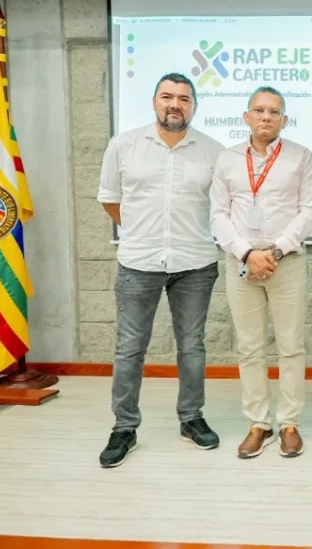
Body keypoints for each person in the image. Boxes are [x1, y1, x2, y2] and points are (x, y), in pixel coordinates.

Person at [96, 72, 225, 468]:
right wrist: (141, 231)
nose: (175, 104)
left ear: (194, 106)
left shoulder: (214, 151)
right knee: (129, 348)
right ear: (154, 102)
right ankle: (124, 426)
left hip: (195, 262)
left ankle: (191, 418)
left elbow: (222, 207)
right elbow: (110, 199)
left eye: (184, 99)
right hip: (139, 261)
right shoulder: (124, 145)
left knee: (192, 346)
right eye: (167, 97)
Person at [210, 86, 312, 459]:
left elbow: (310, 211)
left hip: (285, 262)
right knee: (250, 347)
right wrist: (247, 253)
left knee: (291, 346)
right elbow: (218, 215)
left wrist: (273, 251)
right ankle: (259, 423)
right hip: (241, 263)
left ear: (284, 120)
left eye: (274, 112)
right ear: (246, 117)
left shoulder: (301, 157)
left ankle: (289, 423)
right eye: (259, 110)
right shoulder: (227, 160)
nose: (266, 117)